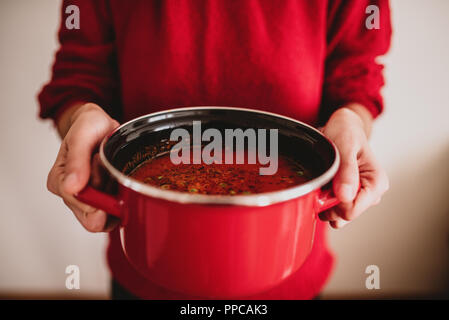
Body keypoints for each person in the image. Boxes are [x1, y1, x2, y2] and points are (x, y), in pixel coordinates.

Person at [39, 0, 391, 299]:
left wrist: (352, 120)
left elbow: (355, 77)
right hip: (147, 270)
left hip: (289, 273)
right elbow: (79, 76)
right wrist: (80, 118)